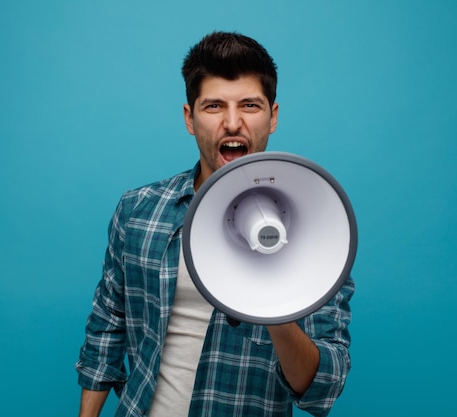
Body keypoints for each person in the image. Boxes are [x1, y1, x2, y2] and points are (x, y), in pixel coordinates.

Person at [76, 31, 354, 417]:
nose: (233, 122)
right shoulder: (139, 210)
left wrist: (275, 303)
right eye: (213, 106)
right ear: (190, 119)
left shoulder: (323, 231)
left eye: (250, 105)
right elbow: (107, 327)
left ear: (272, 116)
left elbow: (321, 389)